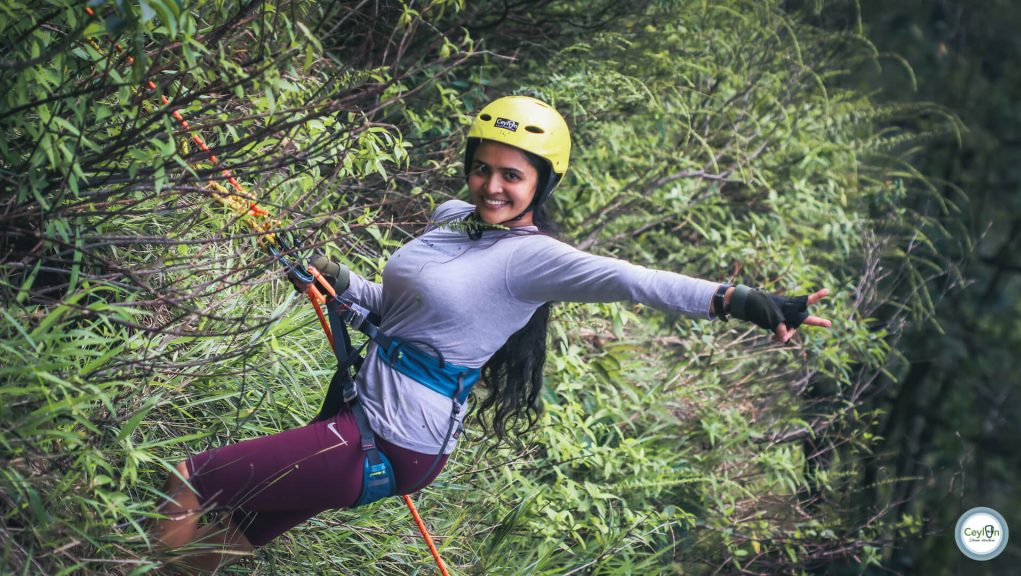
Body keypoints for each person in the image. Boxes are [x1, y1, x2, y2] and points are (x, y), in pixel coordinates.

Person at [150, 95, 831, 571]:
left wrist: (745, 302)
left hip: (391, 439)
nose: (492, 186)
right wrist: (337, 278)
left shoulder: (534, 260)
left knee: (191, 480)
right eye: (485, 167)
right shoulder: (452, 216)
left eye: (513, 175)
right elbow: (396, 309)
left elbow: (634, 279)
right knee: (233, 531)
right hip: (367, 414)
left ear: (542, 183)